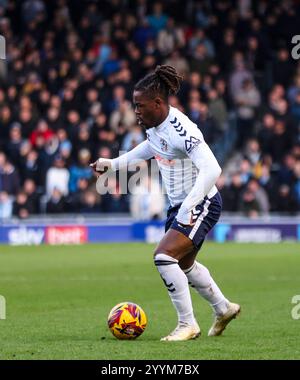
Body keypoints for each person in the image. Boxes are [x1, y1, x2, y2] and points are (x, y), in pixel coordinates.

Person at [90, 65, 240, 341]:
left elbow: (212, 170)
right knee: (183, 265)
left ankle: (188, 325)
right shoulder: (154, 126)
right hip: (180, 205)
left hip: (200, 202)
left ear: (158, 103)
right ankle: (223, 308)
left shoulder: (183, 129)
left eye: (139, 105)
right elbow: (150, 148)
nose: (136, 111)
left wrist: (189, 208)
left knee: (164, 256)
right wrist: (113, 164)